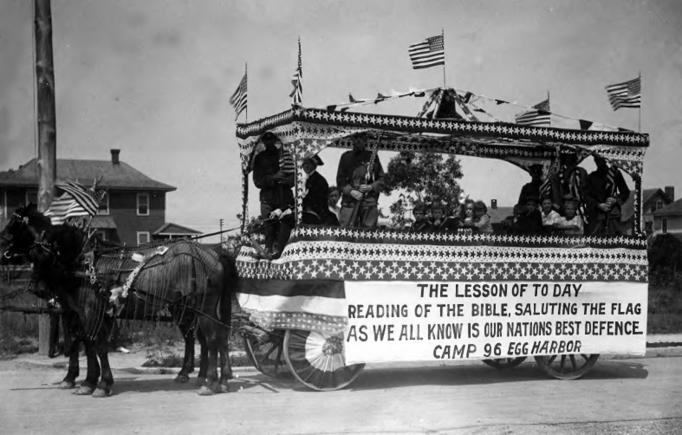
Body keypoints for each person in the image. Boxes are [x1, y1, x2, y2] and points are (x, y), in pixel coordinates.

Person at [252, 131, 295, 258]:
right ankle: (268, 251)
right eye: (266, 141)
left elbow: (293, 177)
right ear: (264, 142)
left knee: (285, 226)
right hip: (267, 198)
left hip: (284, 196)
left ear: (275, 140)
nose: (269, 143)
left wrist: (286, 181)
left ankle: (283, 254)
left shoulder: (285, 155)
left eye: (271, 140)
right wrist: (273, 178)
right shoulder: (260, 158)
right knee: (268, 227)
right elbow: (257, 181)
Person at [336, 134, 385, 228]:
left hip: (368, 202)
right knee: (345, 232)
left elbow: (382, 179)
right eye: (356, 138)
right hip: (349, 202)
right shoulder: (346, 157)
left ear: (366, 140)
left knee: (368, 235)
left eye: (361, 138)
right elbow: (340, 180)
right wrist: (351, 191)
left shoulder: (373, 157)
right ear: (352, 139)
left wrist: (371, 187)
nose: (358, 140)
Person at [584, 155, 630, 236]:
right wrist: (598, 205)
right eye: (597, 159)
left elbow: (625, 192)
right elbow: (586, 196)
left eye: (601, 159)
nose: (599, 162)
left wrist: (615, 200)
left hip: (612, 216)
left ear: (606, 159)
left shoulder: (615, 174)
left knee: (614, 242)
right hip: (596, 217)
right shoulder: (591, 177)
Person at [301, 155, 330, 224]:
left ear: (315, 165)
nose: (306, 166)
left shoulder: (319, 180)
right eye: (304, 163)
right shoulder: (307, 178)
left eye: (309, 163)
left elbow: (317, 200)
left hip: (316, 213)